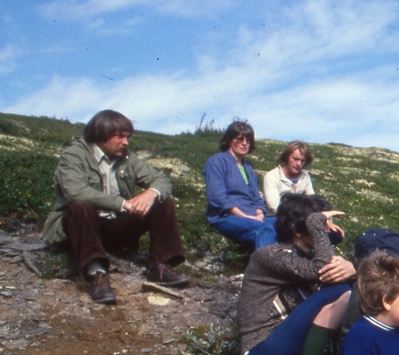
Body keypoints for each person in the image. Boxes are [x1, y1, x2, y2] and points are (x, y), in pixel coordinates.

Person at [41, 109, 189, 305]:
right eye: (120, 136)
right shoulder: (73, 155)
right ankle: (97, 274)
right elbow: (75, 191)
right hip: (81, 229)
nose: (126, 142)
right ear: (100, 134)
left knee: (162, 201)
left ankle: (160, 267)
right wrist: (123, 204)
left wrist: (151, 193)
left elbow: (161, 179)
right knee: (80, 206)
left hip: (114, 228)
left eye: (128, 137)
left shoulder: (127, 158)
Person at [237, 194, 355, 355]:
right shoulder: (269, 255)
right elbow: (322, 269)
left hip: (285, 347)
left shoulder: (306, 258)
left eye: (326, 223)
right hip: (260, 353)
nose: (326, 229)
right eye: (320, 222)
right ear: (295, 227)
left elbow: (328, 269)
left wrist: (353, 269)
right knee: (338, 291)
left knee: (347, 289)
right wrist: (315, 222)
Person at [203, 120, 277, 249]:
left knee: (289, 224)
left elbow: (256, 198)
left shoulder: (248, 167)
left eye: (248, 140)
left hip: (253, 217)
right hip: (227, 217)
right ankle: (264, 268)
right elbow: (218, 198)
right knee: (264, 228)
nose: (245, 143)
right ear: (229, 140)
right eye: (239, 139)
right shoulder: (216, 161)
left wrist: (259, 215)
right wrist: (246, 217)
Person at [263, 141, 316, 213]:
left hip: (300, 215)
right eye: (295, 159)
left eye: (302, 161)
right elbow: (274, 206)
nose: (298, 164)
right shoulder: (272, 176)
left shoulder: (305, 176)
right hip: (275, 217)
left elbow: (313, 200)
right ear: (286, 156)